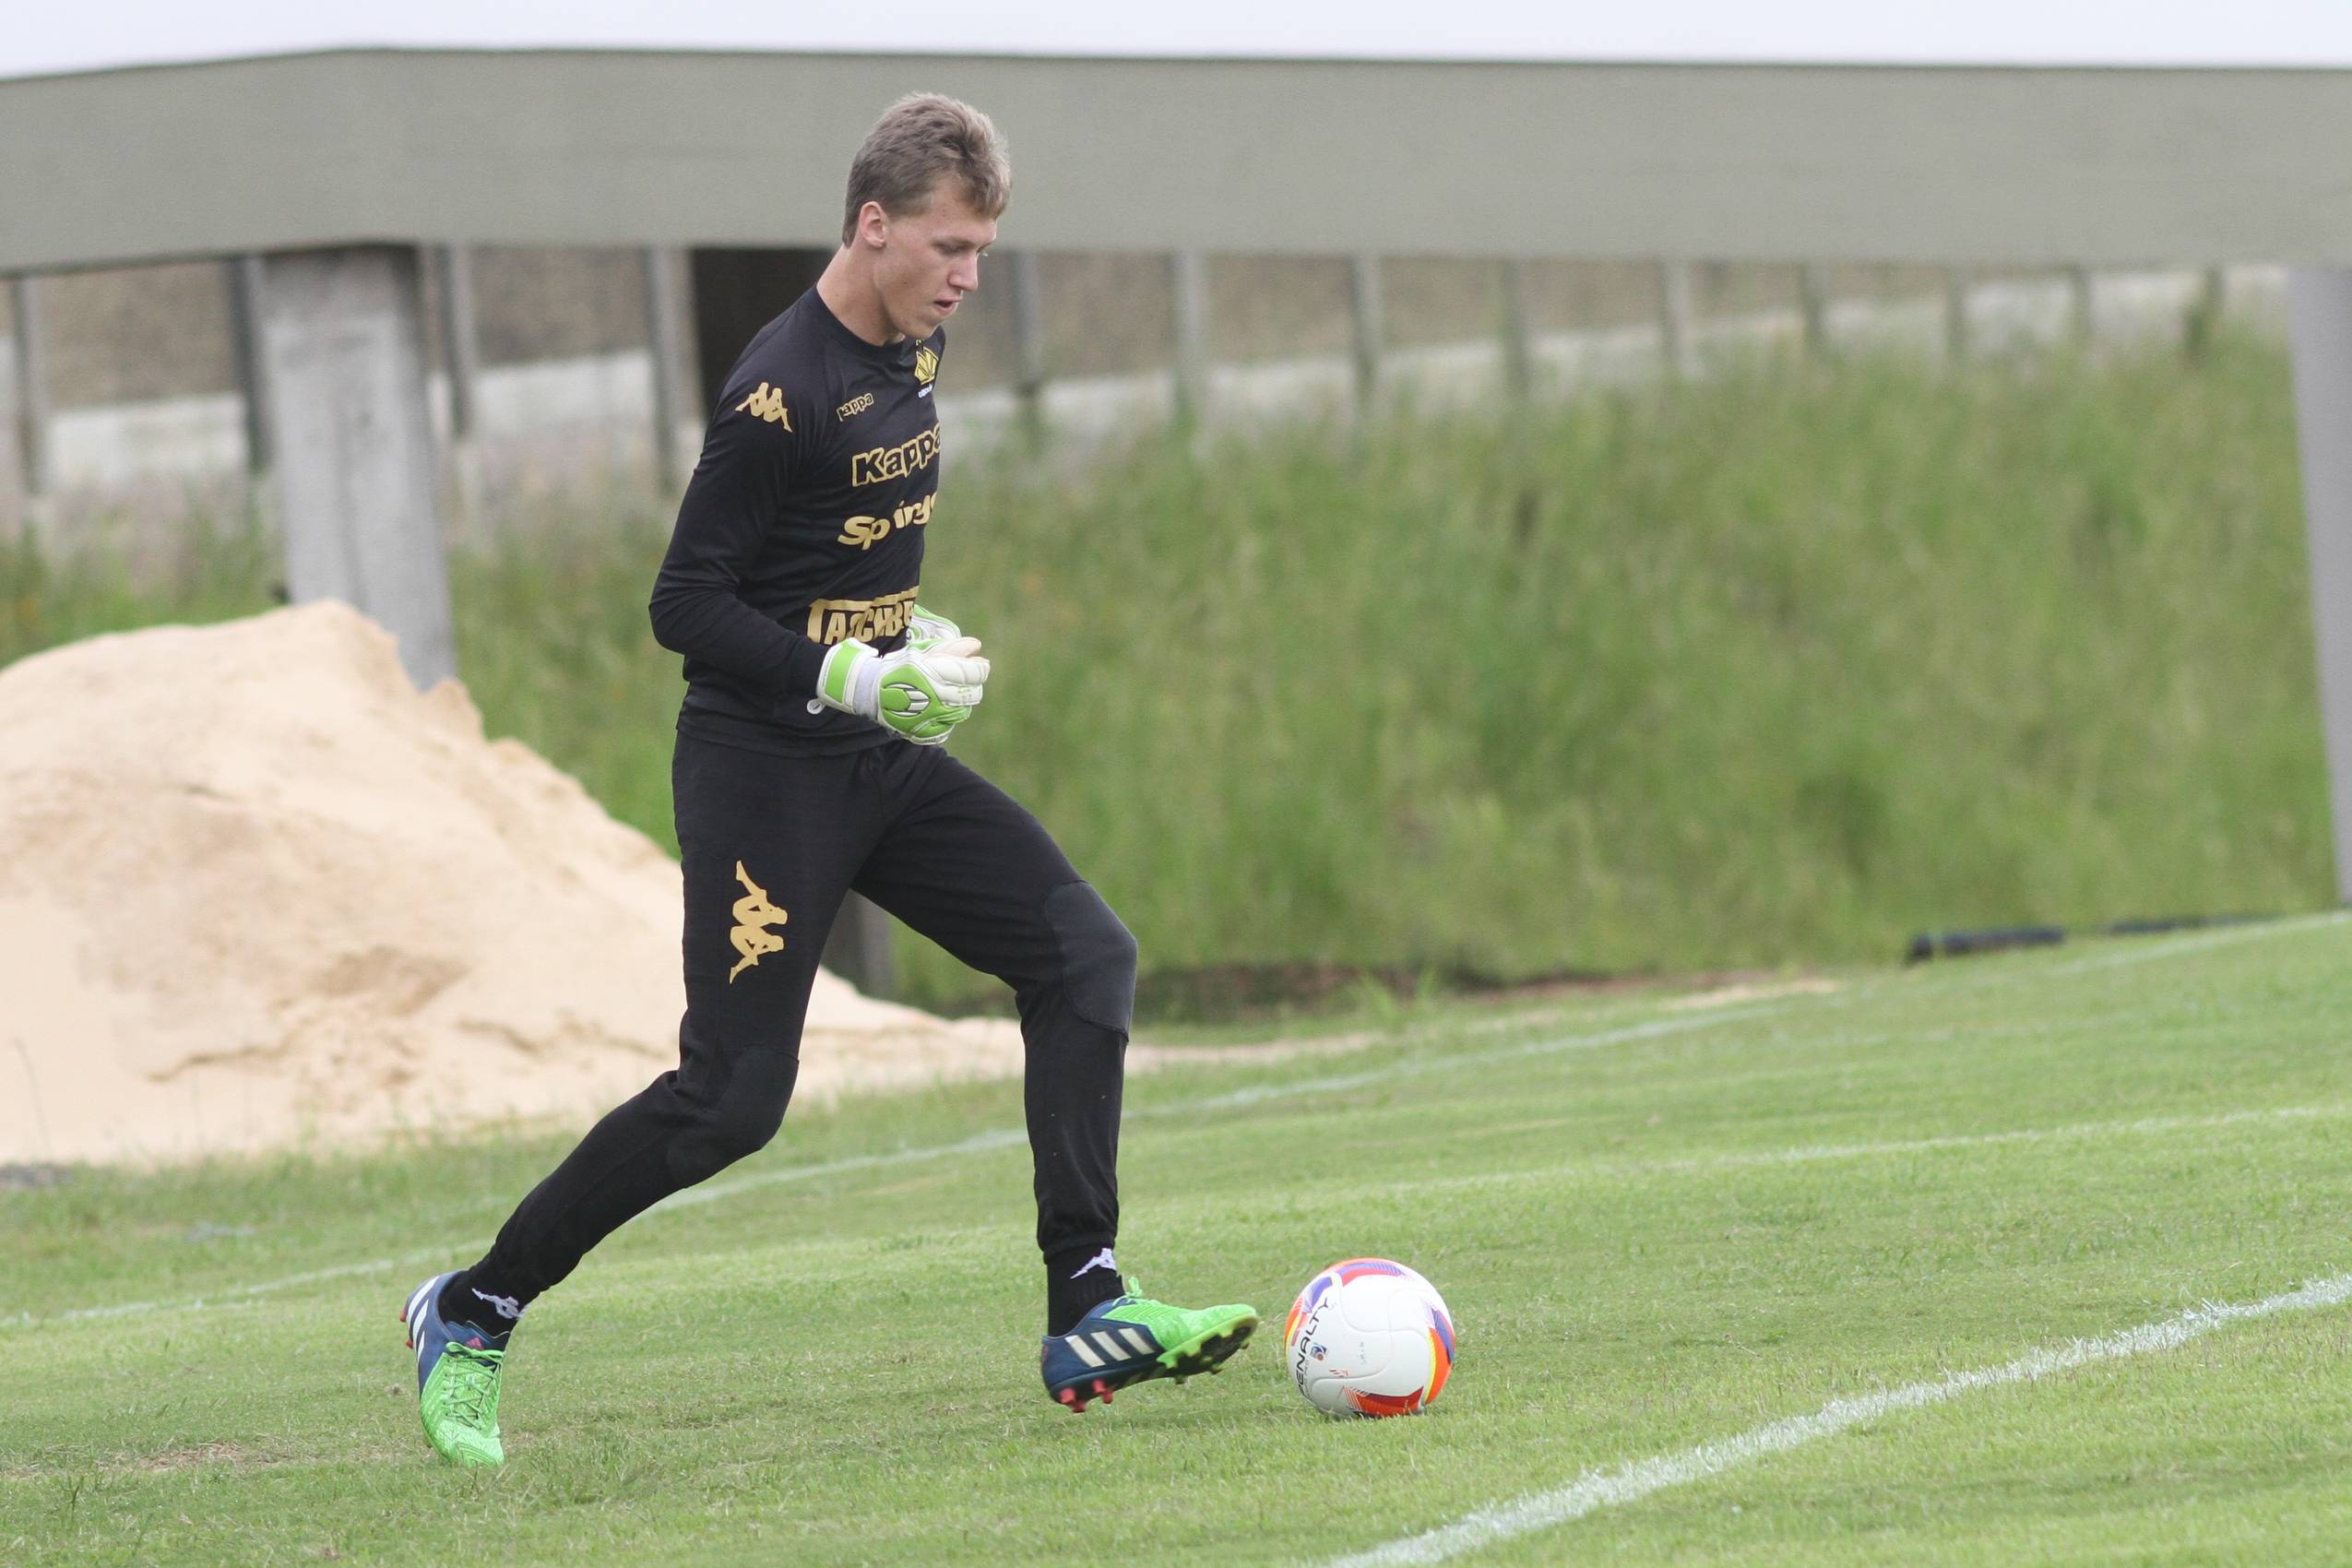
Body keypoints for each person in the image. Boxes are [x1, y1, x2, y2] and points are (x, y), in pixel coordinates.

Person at [398, 93, 1257, 1467]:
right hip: (763, 777)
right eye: (949, 247)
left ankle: (1087, 1302)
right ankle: (473, 1308)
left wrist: (904, 634)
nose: (967, 278)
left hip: (874, 757)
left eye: (980, 252)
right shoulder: (776, 393)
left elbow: (832, 555)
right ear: (872, 226)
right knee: (731, 1102)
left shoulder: (915, 345)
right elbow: (685, 605)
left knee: (1083, 955)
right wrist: (847, 672)